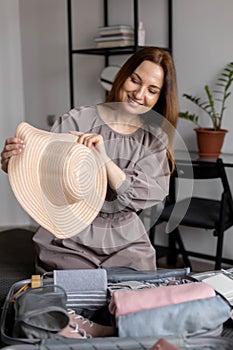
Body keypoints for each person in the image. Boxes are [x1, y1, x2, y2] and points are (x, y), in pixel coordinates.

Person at [1, 47, 179, 273]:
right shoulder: (78, 120)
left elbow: (146, 195)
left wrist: (104, 160)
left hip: (126, 242)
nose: (139, 93)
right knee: (81, 296)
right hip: (68, 238)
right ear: (122, 76)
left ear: (159, 97)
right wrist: (14, 164)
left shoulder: (154, 139)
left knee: (138, 298)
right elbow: (44, 169)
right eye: (135, 80)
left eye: (152, 90)